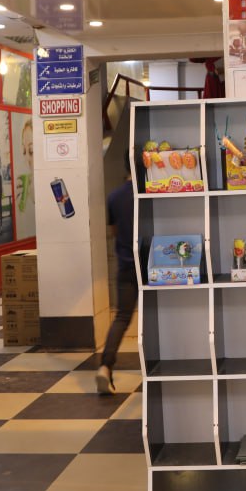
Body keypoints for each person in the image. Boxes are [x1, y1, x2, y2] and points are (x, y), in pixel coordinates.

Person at [97, 165, 136, 394]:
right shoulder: (147, 193)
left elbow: (114, 231)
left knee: (121, 317)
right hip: (150, 267)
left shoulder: (114, 196)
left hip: (125, 265)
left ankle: (105, 366)